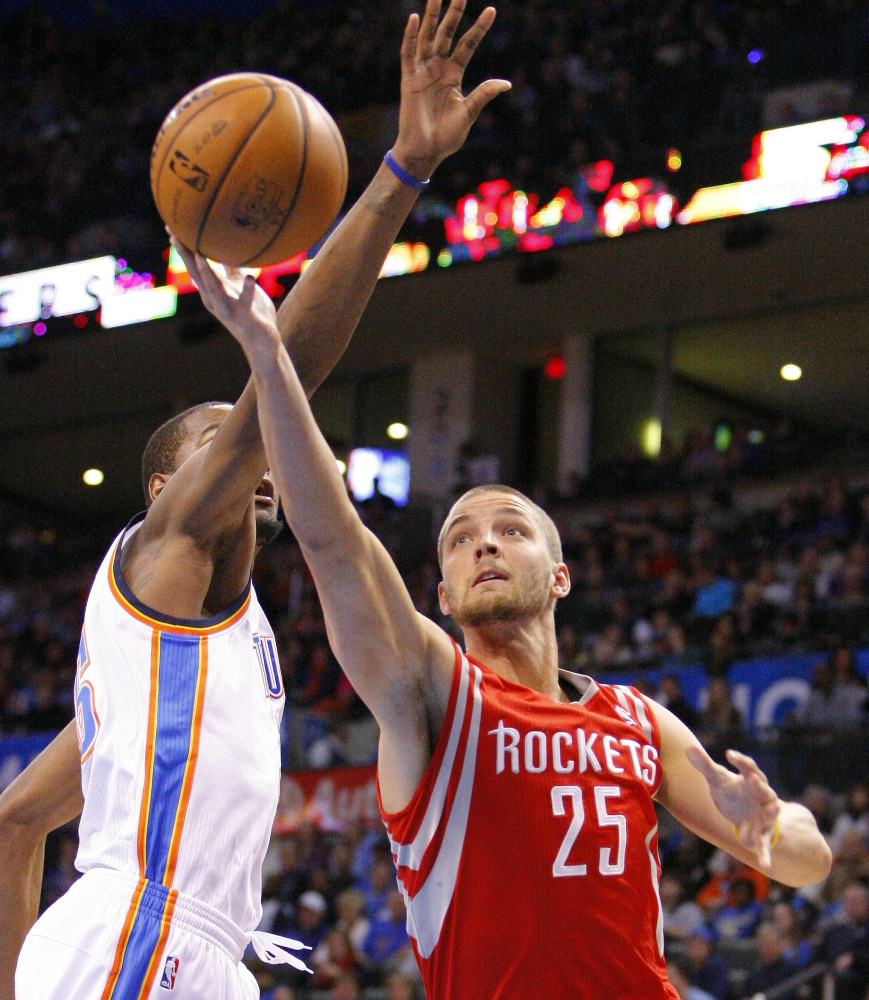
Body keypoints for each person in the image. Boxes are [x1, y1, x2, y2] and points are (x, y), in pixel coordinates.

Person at [179, 164, 832, 999]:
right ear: (441, 595)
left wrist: (771, 826)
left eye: (511, 530)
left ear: (558, 576)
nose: (484, 545)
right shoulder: (430, 693)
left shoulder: (636, 720)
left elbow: (804, 864)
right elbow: (335, 544)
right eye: (459, 539)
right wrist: (271, 362)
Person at [0, 3, 510, 998]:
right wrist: (401, 171)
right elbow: (298, 365)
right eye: (225, 439)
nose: (260, 455)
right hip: (139, 933)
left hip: (200, 951)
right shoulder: (170, 543)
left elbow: (20, 815)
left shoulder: (160, 671)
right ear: (163, 485)